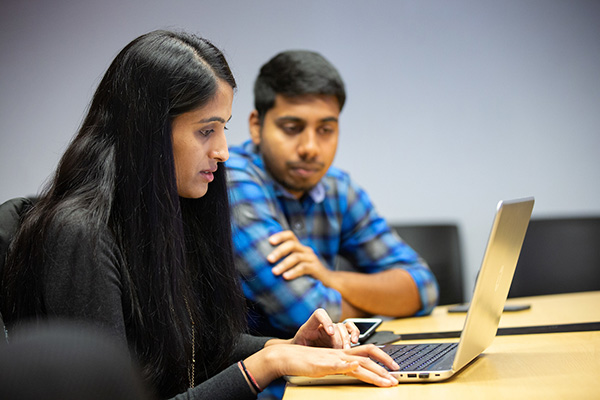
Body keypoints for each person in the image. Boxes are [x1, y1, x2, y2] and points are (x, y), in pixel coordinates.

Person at [0, 31, 401, 400]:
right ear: (148, 133)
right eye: (206, 131)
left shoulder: (173, 214)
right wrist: (265, 365)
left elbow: (199, 347)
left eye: (223, 128)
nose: (223, 150)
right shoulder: (79, 235)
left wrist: (287, 347)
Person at [226, 50, 440, 340]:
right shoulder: (234, 180)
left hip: (327, 371)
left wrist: (329, 277)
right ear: (256, 126)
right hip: (258, 382)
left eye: (325, 129)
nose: (310, 148)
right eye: (292, 128)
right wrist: (381, 305)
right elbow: (305, 311)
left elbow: (423, 288)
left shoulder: (336, 187)